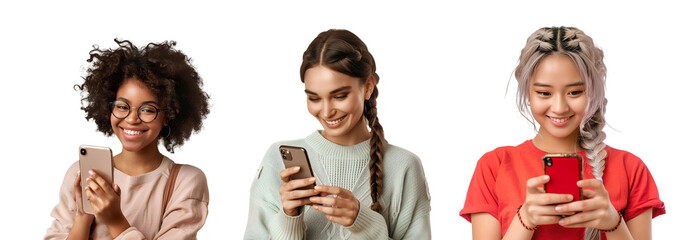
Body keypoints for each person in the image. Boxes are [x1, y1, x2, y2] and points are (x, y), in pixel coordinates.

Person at [460, 26, 665, 240]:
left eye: (575, 92)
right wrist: (525, 220)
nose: (559, 107)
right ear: (527, 91)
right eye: (544, 93)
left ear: (594, 91)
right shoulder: (495, 166)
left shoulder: (630, 169)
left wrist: (614, 223)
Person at [244, 29, 431, 239]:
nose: (326, 111)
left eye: (339, 96)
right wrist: (289, 218)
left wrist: (364, 223)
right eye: (314, 98)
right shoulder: (278, 160)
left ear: (368, 87)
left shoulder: (404, 166)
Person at [45, 39, 211, 239]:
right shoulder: (80, 174)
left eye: (147, 110)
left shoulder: (186, 181)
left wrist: (116, 221)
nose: (132, 119)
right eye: (122, 106)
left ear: (168, 115)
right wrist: (83, 215)